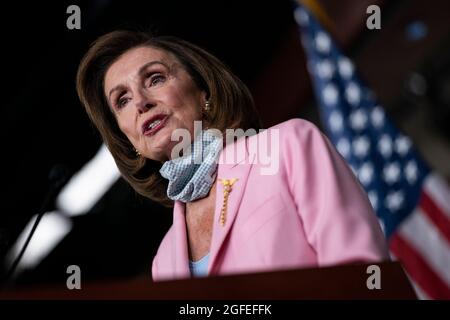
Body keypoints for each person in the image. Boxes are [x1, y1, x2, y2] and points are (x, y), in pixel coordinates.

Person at [76, 30, 389, 281]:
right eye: (122, 100)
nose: (141, 102)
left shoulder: (288, 145)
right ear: (128, 140)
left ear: (204, 94)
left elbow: (358, 271)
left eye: (155, 79)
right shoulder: (164, 261)